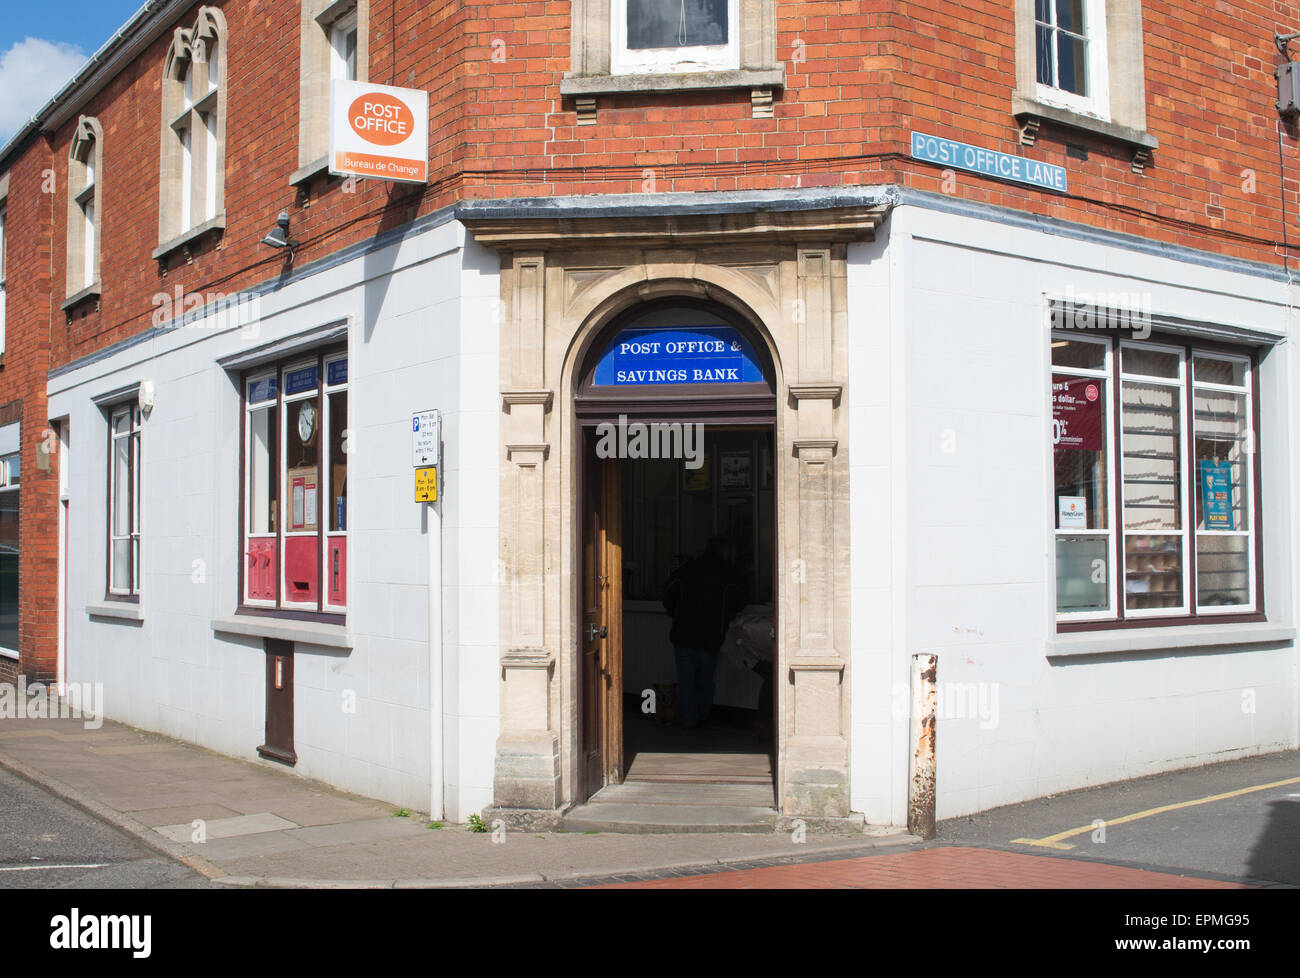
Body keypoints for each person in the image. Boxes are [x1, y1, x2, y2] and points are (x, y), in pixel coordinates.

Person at [662, 536, 747, 729]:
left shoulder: (685, 571)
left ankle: (688, 719)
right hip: (711, 635)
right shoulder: (729, 575)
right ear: (725, 552)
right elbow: (740, 600)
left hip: (683, 633)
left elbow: (668, 596)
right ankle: (701, 716)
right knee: (705, 680)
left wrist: (675, 613)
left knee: (686, 680)